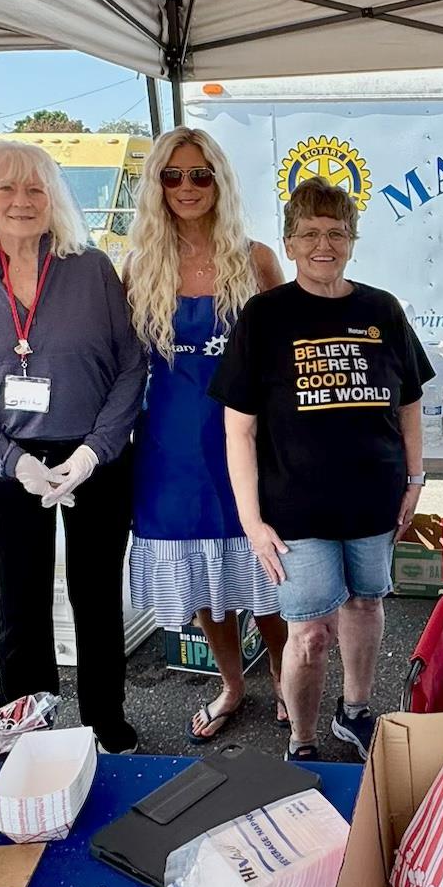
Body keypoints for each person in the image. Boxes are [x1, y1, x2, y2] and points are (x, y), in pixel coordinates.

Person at [0, 139, 146, 754]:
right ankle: (26, 730)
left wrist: (93, 452)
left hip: (93, 460)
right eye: (7, 188)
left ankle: (105, 722)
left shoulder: (91, 269)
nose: (21, 200)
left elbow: (131, 366)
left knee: (96, 598)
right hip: (5, 462)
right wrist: (14, 462)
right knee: (18, 605)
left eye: (35, 188)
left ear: (54, 198)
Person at [209, 177, 433, 763]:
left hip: (374, 501)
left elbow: (410, 404)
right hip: (295, 511)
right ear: (288, 243)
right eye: (309, 234)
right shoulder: (265, 315)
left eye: (336, 233)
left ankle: (354, 711)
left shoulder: (382, 309)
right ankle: (302, 739)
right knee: (309, 632)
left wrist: (415, 480)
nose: (323, 245)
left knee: (365, 605)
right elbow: (239, 430)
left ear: (352, 241)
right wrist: (252, 522)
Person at [123, 127, 287, 742]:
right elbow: (121, 364)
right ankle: (232, 684)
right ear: (156, 185)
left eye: (199, 174)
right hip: (170, 447)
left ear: (219, 181)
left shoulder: (256, 259)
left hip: (250, 441)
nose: (186, 186)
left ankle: (283, 674)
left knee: (266, 572)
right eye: (172, 175)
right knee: (198, 579)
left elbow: (288, 355)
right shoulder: (138, 266)